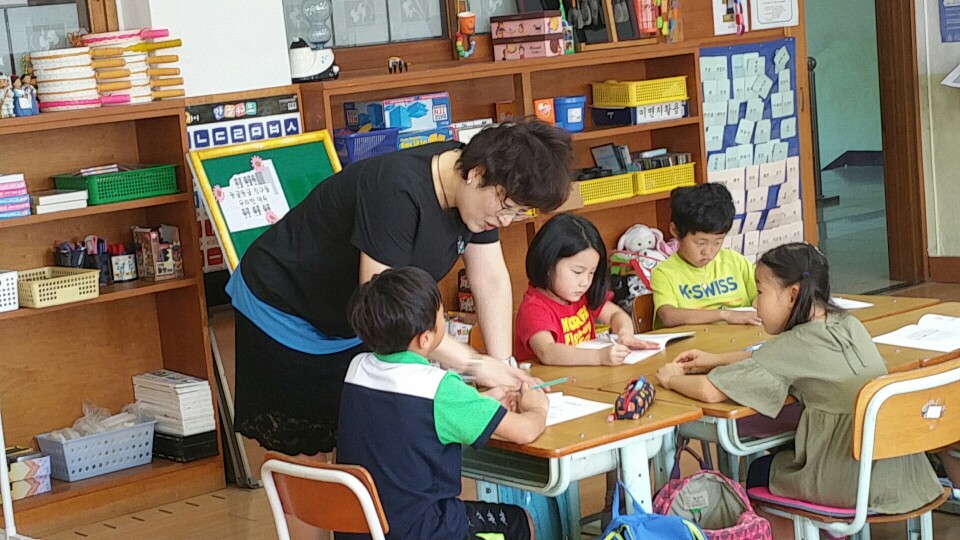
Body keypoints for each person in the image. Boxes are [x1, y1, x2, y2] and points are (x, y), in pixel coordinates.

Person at [228, 119, 574, 456]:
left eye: (518, 213)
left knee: (356, 438)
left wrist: (502, 369)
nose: (505, 221)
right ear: (477, 173)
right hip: (284, 305)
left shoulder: (480, 191)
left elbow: (491, 279)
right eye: (506, 208)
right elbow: (385, 311)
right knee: (306, 447)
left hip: (351, 317)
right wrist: (473, 364)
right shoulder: (395, 190)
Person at [656, 243, 942, 513]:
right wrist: (714, 359)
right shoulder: (848, 324)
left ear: (793, 295)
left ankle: (812, 529)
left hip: (852, 480)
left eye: (760, 292)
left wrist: (669, 378)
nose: (755, 303)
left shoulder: (792, 345)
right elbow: (769, 357)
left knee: (759, 472)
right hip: (904, 471)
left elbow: (709, 391)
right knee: (785, 447)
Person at [338, 266, 546, 540]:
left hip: (362, 527)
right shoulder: (439, 388)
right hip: (425, 531)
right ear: (425, 338)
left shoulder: (356, 369)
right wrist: (537, 405)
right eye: (441, 315)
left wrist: (480, 402)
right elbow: (525, 431)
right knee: (521, 522)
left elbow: (406, 416)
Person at [514, 213, 658, 365]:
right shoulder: (534, 308)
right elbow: (547, 352)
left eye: (591, 273)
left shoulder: (581, 295)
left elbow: (615, 314)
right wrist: (598, 357)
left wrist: (624, 333)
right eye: (577, 272)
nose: (585, 282)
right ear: (548, 264)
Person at [650, 183, 760, 328]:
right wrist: (725, 315)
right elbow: (668, 316)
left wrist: (763, 300)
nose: (708, 252)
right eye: (700, 243)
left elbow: (764, 293)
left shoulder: (735, 261)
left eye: (717, 242)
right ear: (675, 231)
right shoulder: (664, 273)